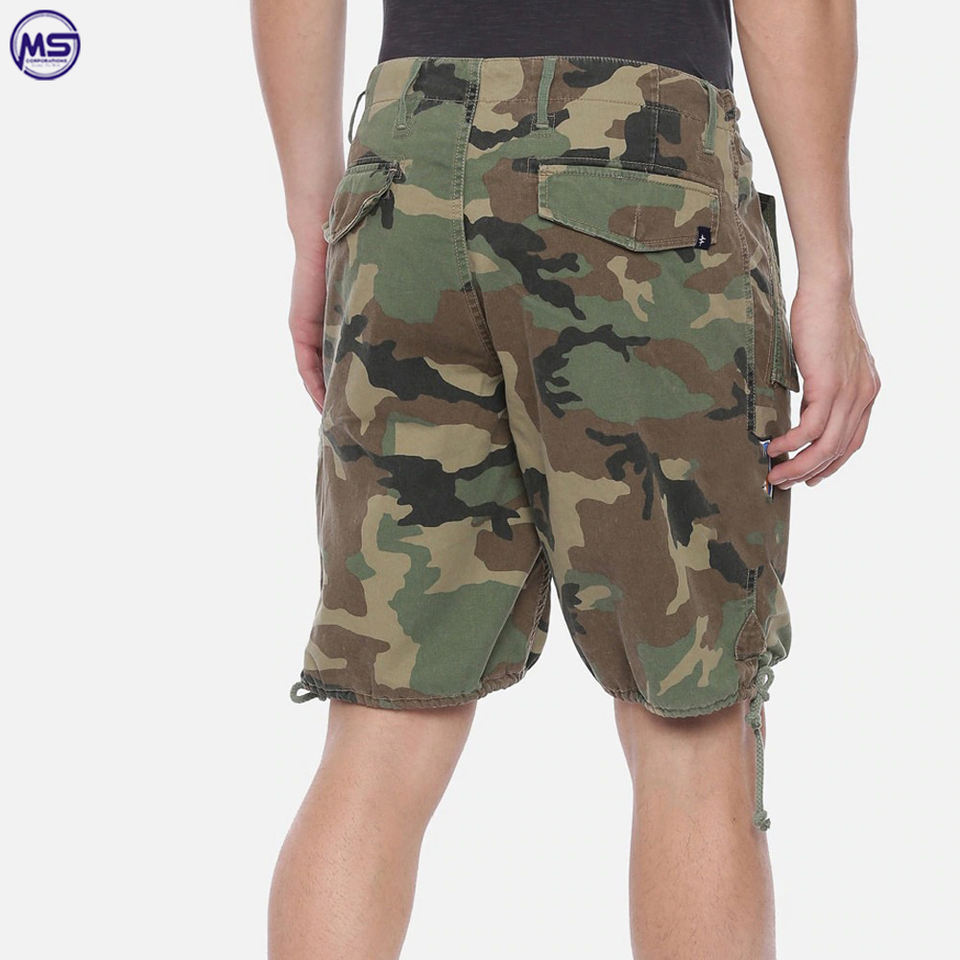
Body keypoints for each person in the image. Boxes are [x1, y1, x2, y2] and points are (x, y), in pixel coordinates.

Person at [252, 1, 879, 957]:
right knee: (690, 724)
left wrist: (319, 230)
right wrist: (827, 271)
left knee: (381, 724)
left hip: (405, 166)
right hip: (635, 161)